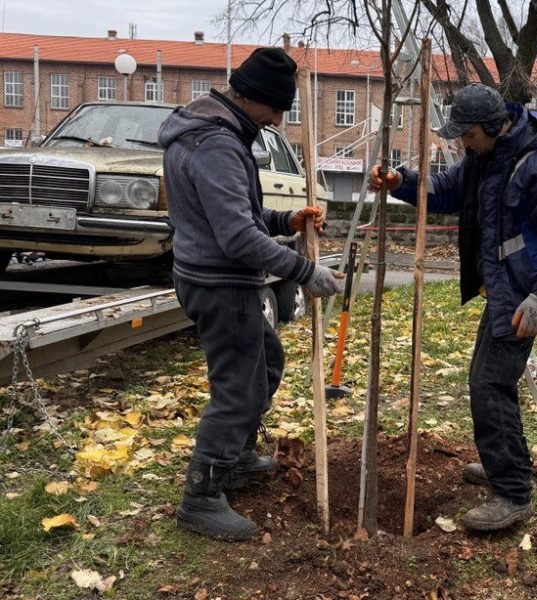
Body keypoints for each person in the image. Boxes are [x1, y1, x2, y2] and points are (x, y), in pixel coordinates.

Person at [369, 83, 537, 532]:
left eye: (467, 135)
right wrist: (401, 182)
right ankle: (504, 462)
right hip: (506, 290)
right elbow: (444, 190)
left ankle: (511, 491)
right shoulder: (487, 158)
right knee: (487, 380)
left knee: (489, 384)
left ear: (491, 127)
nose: (461, 142)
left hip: (525, 295)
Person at [158, 47, 343, 541]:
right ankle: (201, 495)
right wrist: (305, 271)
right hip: (220, 283)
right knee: (239, 390)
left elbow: (235, 214)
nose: (279, 119)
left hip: (214, 275)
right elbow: (237, 237)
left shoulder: (214, 132)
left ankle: (235, 457)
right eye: (278, 108)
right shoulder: (215, 144)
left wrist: (286, 221)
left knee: (265, 365)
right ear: (255, 98)